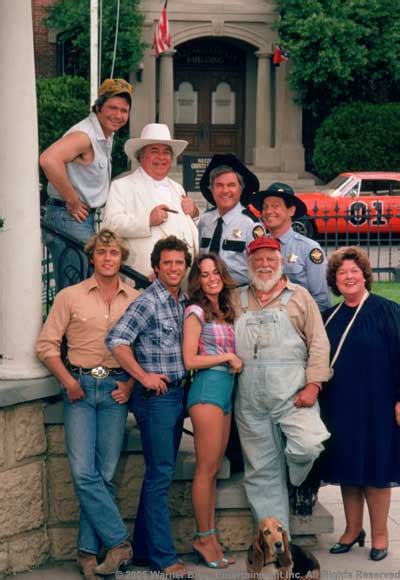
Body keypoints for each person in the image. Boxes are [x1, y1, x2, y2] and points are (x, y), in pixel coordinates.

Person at [36, 229, 139, 579]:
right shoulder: (69, 296)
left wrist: (129, 383)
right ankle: (119, 542)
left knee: (106, 475)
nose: (108, 258)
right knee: (84, 472)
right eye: (101, 253)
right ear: (92, 257)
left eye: (113, 253)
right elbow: (47, 345)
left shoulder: (135, 299)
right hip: (79, 388)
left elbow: (144, 351)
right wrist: (67, 381)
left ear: (121, 258)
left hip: (114, 391)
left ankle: (87, 553)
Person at [105, 236, 192, 579]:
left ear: (185, 267)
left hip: (176, 396)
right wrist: (141, 376)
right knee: (160, 475)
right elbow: (116, 340)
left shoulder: (181, 300)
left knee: (159, 474)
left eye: (179, 263)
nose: (173, 268)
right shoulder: (148, 301)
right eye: (167, 263)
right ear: (156, 267)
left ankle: (142, 548)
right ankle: (162, 556)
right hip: (156, 399)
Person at [234, 236, 331, 534]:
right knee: (261, 471)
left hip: (294, 394)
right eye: (258, 260)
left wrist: (313, 384)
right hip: (249, 397)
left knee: (307, 445)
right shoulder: (236, 299)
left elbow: (318, 343)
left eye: (270, 260)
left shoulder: (300, 296)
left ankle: (292, 477)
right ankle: (277, 543)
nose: (264, 265)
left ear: (280, 262)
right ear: (249, 264)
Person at [318, 246, 400, 562]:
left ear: (364, 275)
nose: (349, 277)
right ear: (334, 280)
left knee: (376, 469)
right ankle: (353, 530)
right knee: (349, 468)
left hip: (378, 405)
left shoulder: (387, 311)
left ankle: (380, 534)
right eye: (342, 273)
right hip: (340, 405)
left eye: (354, 271)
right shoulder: (330, 317)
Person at [40, 78, 133, 290]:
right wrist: (72, 199)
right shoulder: (84, 135)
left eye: (123, 110)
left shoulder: (105, 135)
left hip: (81, 219)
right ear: (98, 106)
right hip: (70, 217)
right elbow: (48, 159)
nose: (118, 115)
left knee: (85, 290)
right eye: (112, 108)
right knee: (75, 292)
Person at [183, 254, 242, 569]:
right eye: (204, 274)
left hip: (226, 393)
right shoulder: (195, 311)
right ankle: (203, 538)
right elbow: (190, 360)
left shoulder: (226, 309)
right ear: (198, 280)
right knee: (205, 469)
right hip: (207, 389)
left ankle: (210, 537)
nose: (211, 278)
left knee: (215, 466)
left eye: (215, 272)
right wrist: (227, 357)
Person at [103, 123, 199, 277]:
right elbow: (109, 225)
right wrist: (147, 221)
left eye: (166, 152)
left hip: (181, 279)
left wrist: (194, 213)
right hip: (143, 277)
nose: (161, 157)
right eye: (155, 151)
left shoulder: (177, 188)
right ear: (141, 156)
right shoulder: (122, 186)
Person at [253, 182, 331, 311]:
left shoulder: (308, 249)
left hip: (297, 323)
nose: (268, 211)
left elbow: (322, 300)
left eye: (275, 206)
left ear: (291, 210)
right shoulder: (257, 247)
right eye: (265, 207)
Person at [198, 154, 264, 287]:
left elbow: (261, 268)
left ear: (240, 189)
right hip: (206, 293)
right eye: (219, 185)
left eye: (231, 185)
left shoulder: (250, 223)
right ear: (212, 189)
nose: (225, 190)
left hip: (238, 294)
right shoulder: (205, 220)